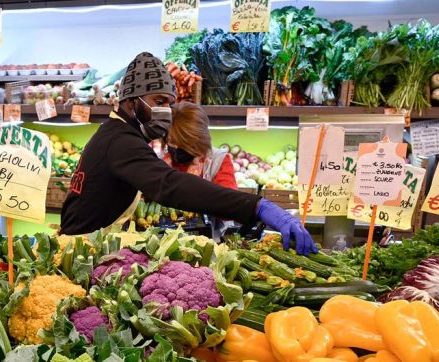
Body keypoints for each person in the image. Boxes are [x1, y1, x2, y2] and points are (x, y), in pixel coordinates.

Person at [59, 52, 317, 255]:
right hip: (78, 251)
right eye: (159, 102)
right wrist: (257, 206)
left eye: (170, 104)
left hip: (87, 247)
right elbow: (170, 185)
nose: (166, 113)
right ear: (131, 102)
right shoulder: (121, 141)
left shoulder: (116, 134)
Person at [163, 102, 236, 240]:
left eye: (183, 143)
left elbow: (229, 208)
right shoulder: (162, 162)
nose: (176, 147)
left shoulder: (217, 160)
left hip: (207, 240)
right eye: (171, 141)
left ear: (198, 140)